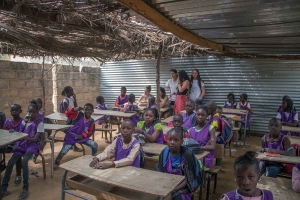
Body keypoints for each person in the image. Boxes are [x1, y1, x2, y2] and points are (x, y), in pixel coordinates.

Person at [1, 100, 44, 200]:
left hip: (32, 145)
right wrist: (13, 132)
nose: (31, 114)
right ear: (27, 111)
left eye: (33, 112)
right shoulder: (24, 121)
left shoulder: (39, 123)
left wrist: (23, 136)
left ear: (37, 113)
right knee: (11, 162)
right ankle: (3, 188)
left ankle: (25, 188)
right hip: (21, 144)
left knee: (24, 161)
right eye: (29, 112)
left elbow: (35, 139)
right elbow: (19, 132)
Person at [158, 128, 201, 200]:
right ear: (166, 140)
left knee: (177, 198)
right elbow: (162, 173)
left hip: (184, 186)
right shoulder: (164, 153)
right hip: (167, 183)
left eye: (176, 140)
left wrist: (174, 189)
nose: (172, 142)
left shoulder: (187, 155)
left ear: (182, 141)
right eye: (170, 139)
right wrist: (166, 188)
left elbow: (188, 179)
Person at [54, 104, 98, 170]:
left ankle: (94, 160)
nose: (87, 112)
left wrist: (83, 135)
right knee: (64, 150)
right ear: (84, 110)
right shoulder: (78, 115)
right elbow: (67, 113)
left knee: (94, 145)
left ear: (92, 111)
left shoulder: (91, 121)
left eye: (89, 110)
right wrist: (74, 109)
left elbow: (90, 132)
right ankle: (57, 162)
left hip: (82, 138)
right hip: (71, 136)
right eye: (86, 110)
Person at [1, 104, 23, 185]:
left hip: (19, 143)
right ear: (10, 111)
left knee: (17, 152)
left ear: (20, 111)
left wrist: (17, 133)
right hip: (8, 143)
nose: (14, 112)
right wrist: (8, 133)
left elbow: (23, 134)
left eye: (16, 110)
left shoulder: (23, 122)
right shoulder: (7, 122)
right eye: (12, 110)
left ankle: (18, 174)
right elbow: (4, 133)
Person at [61, 86, 82, 152]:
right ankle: (74, 146)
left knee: (72, 131)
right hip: (70, 118)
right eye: (71, 91)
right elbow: (66, 111)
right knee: (71, 131)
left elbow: (75, 107)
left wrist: (75, 99)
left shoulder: (72, 99)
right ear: (67, 92)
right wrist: (73, 110)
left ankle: (71, 145)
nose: (73, 92)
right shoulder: (65, 100)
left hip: (74, 117)